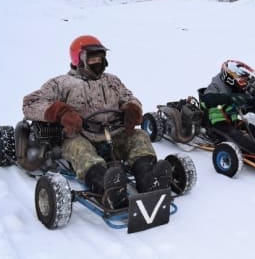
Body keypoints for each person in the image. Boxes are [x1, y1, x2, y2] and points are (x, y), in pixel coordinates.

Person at [23, 35, 171, 210]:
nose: (97, 62)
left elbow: (129, 97)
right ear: (79, 59)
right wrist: (61, 112)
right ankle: (108, 189)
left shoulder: (112, 81)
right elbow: (30, 103)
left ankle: (149, 179)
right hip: (79, 136)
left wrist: (132, 108)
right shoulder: (61, 83)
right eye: (92, 58)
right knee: (81, 150)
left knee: (139, 136)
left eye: (100, 58)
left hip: (113, 134)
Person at [200, 60, 255, 158]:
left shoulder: (237, 87)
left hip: (232, 118)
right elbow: (207, 99)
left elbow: (247, 101)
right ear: (229, 77)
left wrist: (254, 100)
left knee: (250, 128)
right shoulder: (216, 85)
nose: (244, 83)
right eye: (242, 80)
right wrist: (229, 98)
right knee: (232, 133)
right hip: (215, 121)